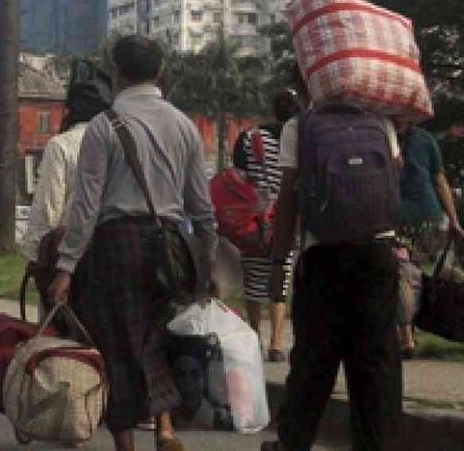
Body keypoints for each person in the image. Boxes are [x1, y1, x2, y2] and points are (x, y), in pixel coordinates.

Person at [48, 35, 218, 451]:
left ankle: (126, 442)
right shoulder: (184, 126)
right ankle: (165, 428)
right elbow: (201, 205)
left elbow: (86, 206)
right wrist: (208, 265)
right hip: (173, 246)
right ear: (160, 71)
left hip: (117, 246)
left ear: (116, 71)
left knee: (117, 344)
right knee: (154, 336)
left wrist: (66, 267)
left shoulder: (105, 126)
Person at [265, 103, 402, 451]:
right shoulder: (380, 121)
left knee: (313, 362)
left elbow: (288, 200)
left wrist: (279, 262)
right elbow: (393, 180)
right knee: (375, 367)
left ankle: (293, 443)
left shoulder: (300, 126)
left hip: (323, 256)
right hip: (377, 255)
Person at [230, 88, 301, 363]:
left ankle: (254, 335)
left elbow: (239, 174)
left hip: (254, 220)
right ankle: (276, 343)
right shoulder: (300, 138)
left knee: (253, 279)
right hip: (285, 217)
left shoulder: (250, 138)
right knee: (280, 276)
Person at [20, 59, 114, 263]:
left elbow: (48, 208)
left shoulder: (61, 145)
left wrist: (36, 256)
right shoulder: (121, 141)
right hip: (116, 252)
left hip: (73, 255)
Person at [392, 125, 463, 359]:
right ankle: (409, 326)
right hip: (429, 215)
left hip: (398, 216)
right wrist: (453, 218)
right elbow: (440, 180)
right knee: (413, 272)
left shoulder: (383, 135)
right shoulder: (426, 139)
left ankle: (405, 336)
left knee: (400, 272)